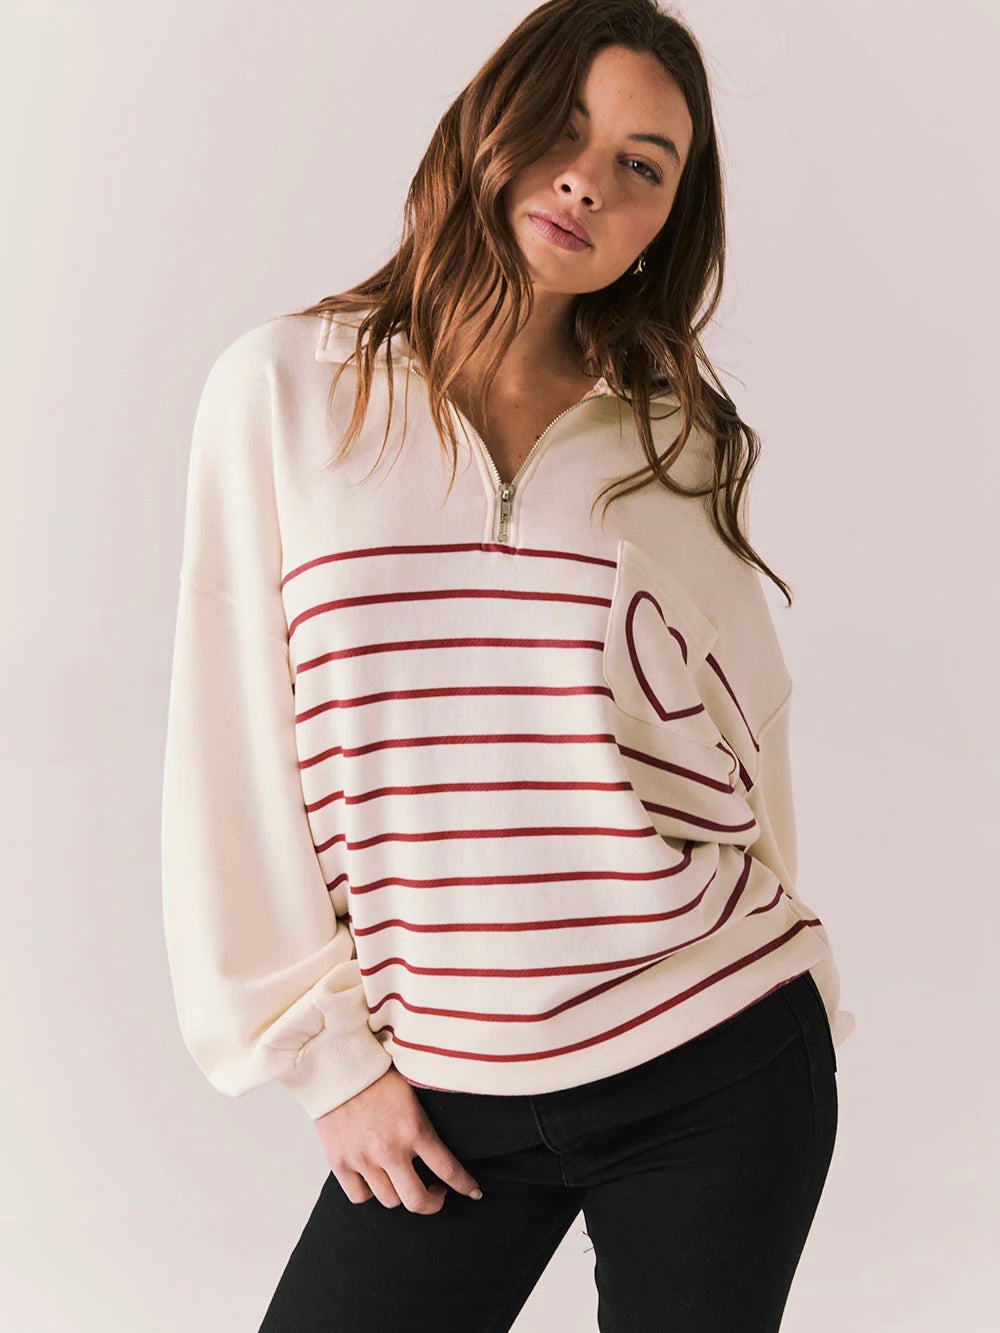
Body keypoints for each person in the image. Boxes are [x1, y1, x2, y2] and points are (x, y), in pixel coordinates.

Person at [161, 1, 855, 1328]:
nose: (590, 178)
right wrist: (328, 1062)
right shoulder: (284, 392)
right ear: (491, 125)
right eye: (563, 128)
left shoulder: (677, 439)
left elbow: (746, 738)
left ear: (666, 221)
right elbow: (228, 749)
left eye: (643, 164)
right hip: (436, 1087)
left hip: (711, 1053)